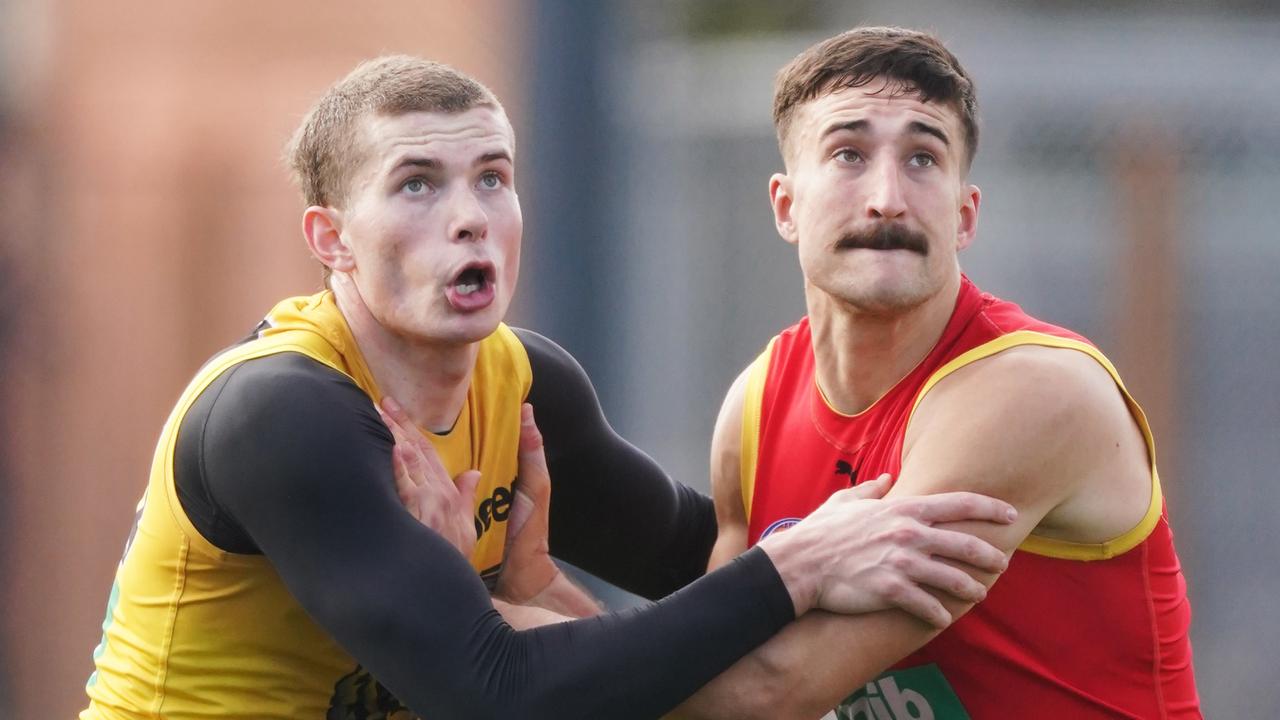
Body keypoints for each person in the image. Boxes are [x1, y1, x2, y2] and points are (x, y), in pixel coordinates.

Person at [79, 56, 1019, 720]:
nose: (468, 219)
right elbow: (498, 695)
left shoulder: (524, 385)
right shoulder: (283, 415)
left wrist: (943, 532)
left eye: (492, 178)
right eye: (417, 185)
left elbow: (703, 564)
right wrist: (801, 567)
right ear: (329, 239)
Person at [676, 27, 1201, 719]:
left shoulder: (1032, 391)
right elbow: (716, 660)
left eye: (923, 158)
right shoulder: (754, 408)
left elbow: (773, 689)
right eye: (848, 155)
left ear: (964, 215)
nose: (887, 198)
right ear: (785, 206)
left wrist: (519, 658)